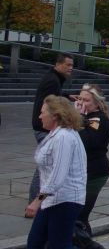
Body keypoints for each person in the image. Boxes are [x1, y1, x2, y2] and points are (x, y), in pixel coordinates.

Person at [25, 96, 87, 249]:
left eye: (42, 112)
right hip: (52, 200)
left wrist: (37, 200)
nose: (39, 116)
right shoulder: (56, 134)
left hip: (66, 200)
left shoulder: (63, 137)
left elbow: (57, 177)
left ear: (55, 115)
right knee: (35, 243)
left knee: (59, 245)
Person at [29, 54, 74, 204]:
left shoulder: (54, 79)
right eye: (68, 65)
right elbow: (51, 104)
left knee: (47, 162)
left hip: (44, 126)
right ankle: (35, 200)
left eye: (72, 65)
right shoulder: (52, 80)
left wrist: (67, 95)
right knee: (45, 164)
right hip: (44, 127)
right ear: (58, 64)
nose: (70, 68)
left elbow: (55, 97)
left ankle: (39, 198)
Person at [76, 84, 109, 239]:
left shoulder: (98, 120)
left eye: (87, 100)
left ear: (97, 103)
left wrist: (78, 119)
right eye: (80, 99)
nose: (83, 103)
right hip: (84, 170)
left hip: (95, 172)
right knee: (77, 217)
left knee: (80, 216)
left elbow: (87, 142)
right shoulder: (87, 118)